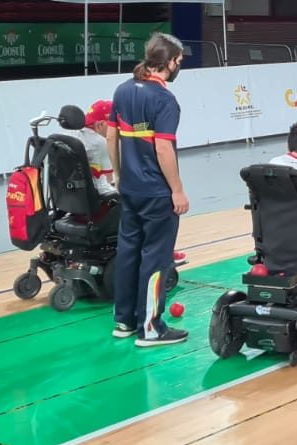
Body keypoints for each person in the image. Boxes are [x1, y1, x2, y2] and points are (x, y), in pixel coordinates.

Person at [106, 33, 189, 347]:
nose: (178, 66)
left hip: (129, 188)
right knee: (156, 258)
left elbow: (112, 137)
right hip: (156, 193)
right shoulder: (164, 100)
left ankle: (124, 321)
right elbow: (164, 149)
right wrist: (177, 190)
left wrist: (118, 173)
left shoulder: (123, 90)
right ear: (168, 62)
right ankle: (151, 328)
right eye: (178, 61)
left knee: (128, 254)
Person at [77, 99, 117, 194]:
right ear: (101, 124)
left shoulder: (73, 135)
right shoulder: (101, 143)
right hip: (102, 197)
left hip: (76, 197)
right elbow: (109, 179)